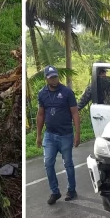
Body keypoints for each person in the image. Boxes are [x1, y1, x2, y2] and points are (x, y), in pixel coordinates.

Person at [36, 65, 81, 205]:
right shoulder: (42, 93)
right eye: (51, 78)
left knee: (68, 164)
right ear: (46, 79)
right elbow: (41, 114)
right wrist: (38, 135)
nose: (54, 79)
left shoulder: (67, 92)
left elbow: (75, 113)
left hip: (65, 135)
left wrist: (77, 134)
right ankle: (55, 192)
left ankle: (71, 190)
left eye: (55, 76)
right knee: (48, 164)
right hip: (49, 135)